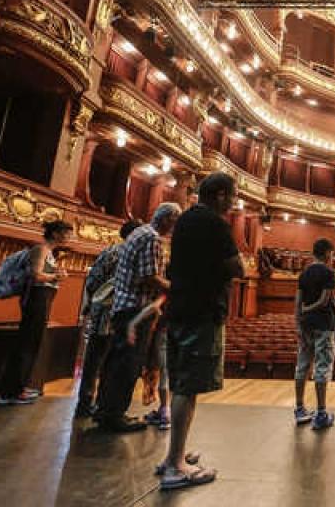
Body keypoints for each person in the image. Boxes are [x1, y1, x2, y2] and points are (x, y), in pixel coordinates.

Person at [159, 172, 243, 490]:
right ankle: (176, 466)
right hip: (201, 311)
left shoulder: (185, 220)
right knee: (187, 388)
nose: (235, 202)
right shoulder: (215, 223)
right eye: (233, 195)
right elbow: (238, 267)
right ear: (220, 195)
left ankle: (172, 456)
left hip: (179, 308)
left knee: (181, 383)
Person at [94, 203, 180, 433]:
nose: (175, 228)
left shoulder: (138, 233)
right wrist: (176, 288)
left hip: (124, 307)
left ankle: (104, 410)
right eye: (175, 222)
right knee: (128, 363)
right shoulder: (151, 238)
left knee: (115, 361)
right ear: (168, 219)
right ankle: (114, 415)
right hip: (136, 309)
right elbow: (149, 277)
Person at [0, 220, 73, 405]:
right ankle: (12, 391)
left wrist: (55, 273)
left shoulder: (49, 253)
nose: (70, 237)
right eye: (67, 233)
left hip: (42, 299)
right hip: (36, 300)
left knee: (32, 342)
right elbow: (36, 275)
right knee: (27, 343)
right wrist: (57, 276)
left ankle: (19, 386)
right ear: (55, 233)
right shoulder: (41, 250)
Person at [74, 219, 143, 418]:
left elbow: (94, 280)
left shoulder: (110, 252)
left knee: (95, 360)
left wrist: (90, 305)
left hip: (103, 312)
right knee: (107, 361)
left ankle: (86, 403)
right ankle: (99, 404)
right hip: (118, 313)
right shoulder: (128, 255)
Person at [294, 238, 335, 430]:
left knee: (302, 365)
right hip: (323, 324)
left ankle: (300, 409)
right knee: (322, 367)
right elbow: (324, 300)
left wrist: (299, 321)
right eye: (332, 254)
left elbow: (297, 301)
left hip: (306, 326)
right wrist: (309, 309)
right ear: (328, 253)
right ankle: (321, 414)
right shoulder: (328, 272)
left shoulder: (304, 274)